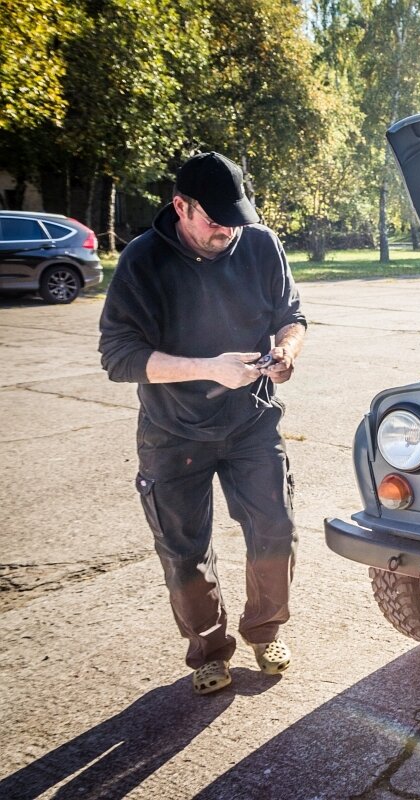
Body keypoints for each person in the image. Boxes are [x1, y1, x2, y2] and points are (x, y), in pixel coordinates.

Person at [98, 152, 307, 695]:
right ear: (180, 207)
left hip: (251, 423)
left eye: (234, 217)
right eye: (213, 219)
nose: (226, 230)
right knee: (184, 551)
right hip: (173, 434)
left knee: (274, 529)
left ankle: (265, 630)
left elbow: (292, 315)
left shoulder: (259, 243)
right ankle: (209, 650)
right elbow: (119, 357)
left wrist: (286, 352)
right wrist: (208, 369)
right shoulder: (143, 261)